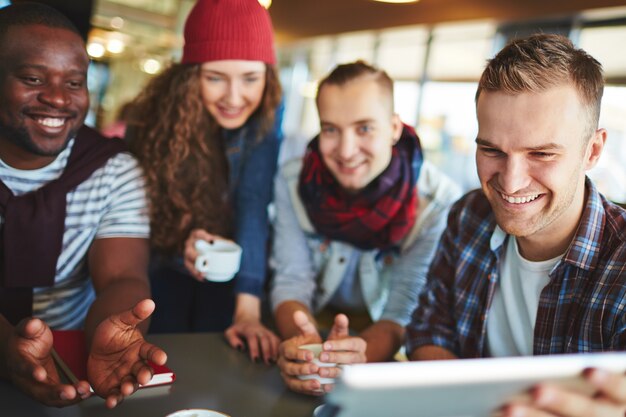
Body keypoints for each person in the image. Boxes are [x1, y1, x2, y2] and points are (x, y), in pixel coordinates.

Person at [406, 33, 626, 417]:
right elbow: (428, 332)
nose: (510, 183)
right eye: (491, 150)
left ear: (592, 151)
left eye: (541, 153)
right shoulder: (468, 215)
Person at [0, 2, 166, 409]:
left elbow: (122, 277)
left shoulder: (113, 170)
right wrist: (6, 348)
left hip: (72, 362)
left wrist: (109, 333)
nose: (57, 98)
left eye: (75, 83)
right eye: (33, 78)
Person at [272, 61, 461, 395]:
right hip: (311, 323)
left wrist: (355, 359)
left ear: (393, 128)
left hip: (380, 348)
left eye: (364, 129)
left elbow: (403, 309)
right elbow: (291, 280)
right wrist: (306, 348)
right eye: (330, 129)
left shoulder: (437, 201)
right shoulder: (292, 180)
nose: (345, 151)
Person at [128, 0, 282, 363]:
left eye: (250, 78)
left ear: (268, 77)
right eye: (215, 77)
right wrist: (181, 247)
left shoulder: (265, 123)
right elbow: (133, 230)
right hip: (159, 271)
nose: (233, 97)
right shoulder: (149, 127)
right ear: (190, 76)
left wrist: (248, 311)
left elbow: (253, 206)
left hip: (232, 274)